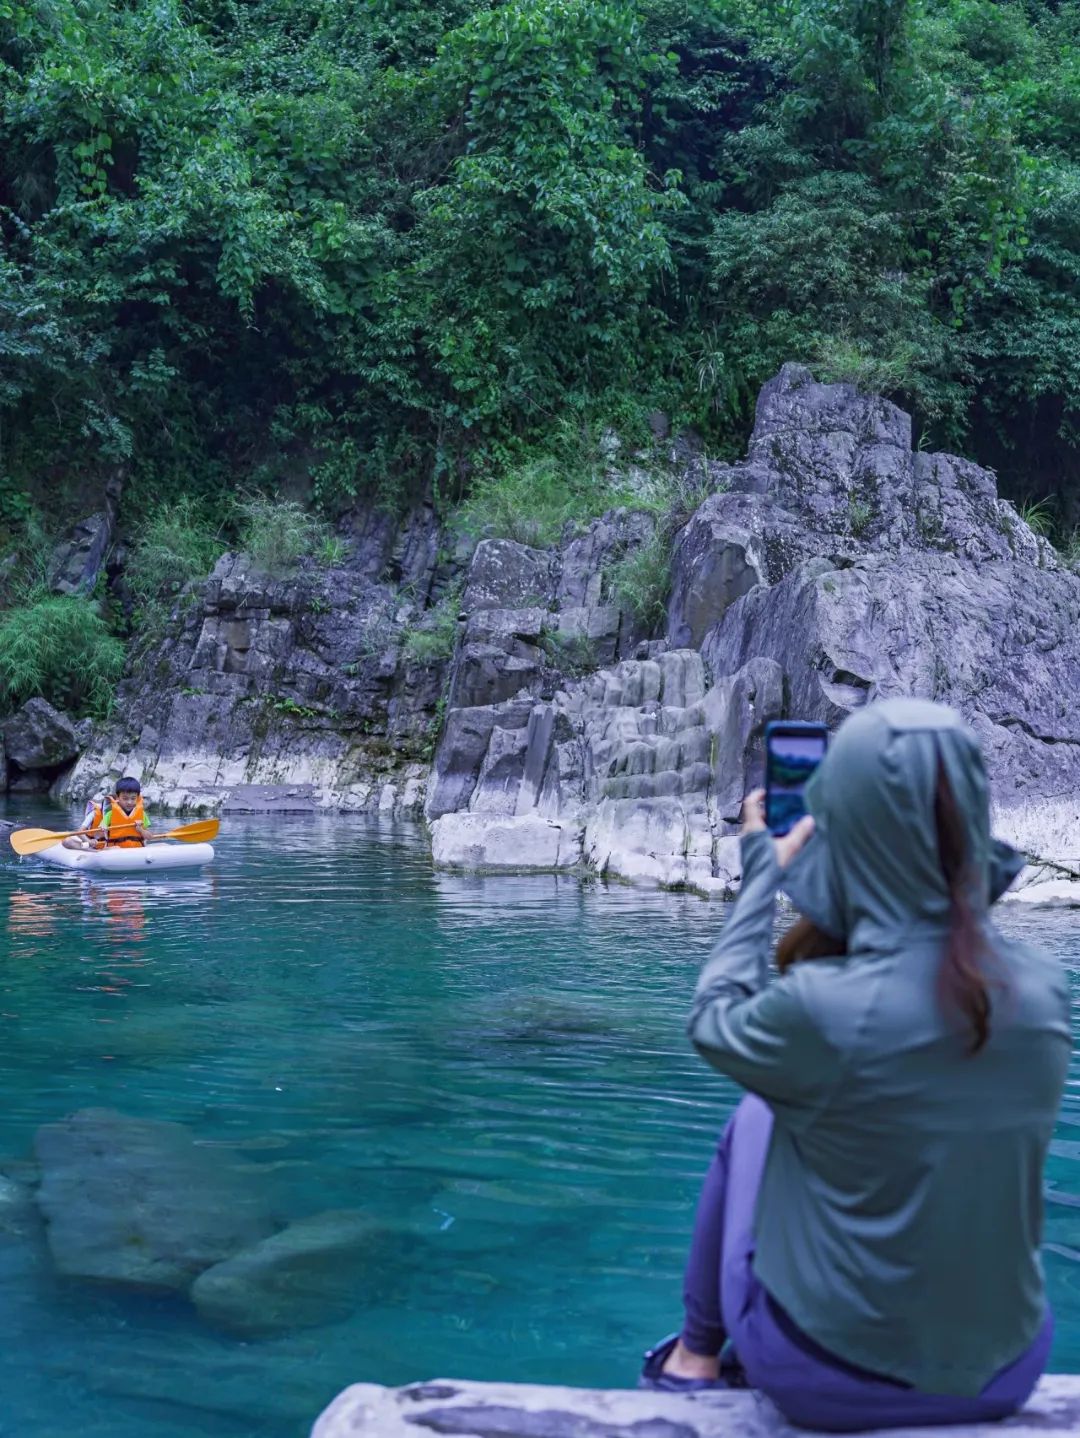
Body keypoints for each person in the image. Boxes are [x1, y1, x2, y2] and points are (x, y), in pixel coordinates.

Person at [641, 698, 1071, 1432]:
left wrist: (761, 879)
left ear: (845, 828)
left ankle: (695, 1357)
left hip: (828, 1378)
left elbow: (715, 1023)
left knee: (759, 1109)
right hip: (1007, 1368)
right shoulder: (1043, 992)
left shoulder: (822, 1010)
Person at [62, 776, 154, 850]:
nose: (129, 802)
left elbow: (150, 837)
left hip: (136, 848)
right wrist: (102, 830)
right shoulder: (109, 814)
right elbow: (97, 835)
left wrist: (141, 830)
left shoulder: (142, 814)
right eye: (125, 798)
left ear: (137, 798)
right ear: (117, 798)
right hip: (110, 848)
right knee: (115, 848)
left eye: (133, 798)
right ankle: (86, 848)